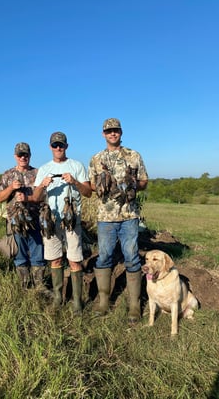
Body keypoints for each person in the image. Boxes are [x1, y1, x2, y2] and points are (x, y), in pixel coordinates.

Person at [88, 118, 148, 323]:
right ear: (104, 134)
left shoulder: (133, 155)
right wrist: (105, 184)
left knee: (131, 257)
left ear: (121, 133)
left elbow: (144, 181)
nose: (113, 134)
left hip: (129, 216)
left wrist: (133, 185)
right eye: (109, 131)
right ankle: (104, 302)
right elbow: (92, 186)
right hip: (106, 217)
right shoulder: (96, 158)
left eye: (116, 130)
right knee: (104, 256)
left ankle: (134, 306)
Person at [33, 132, 92, 313]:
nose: (58, 148)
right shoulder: (44, 169)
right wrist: (42, 185)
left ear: (66, 146)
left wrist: (74, 182)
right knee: (55, 259)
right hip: (51, 221)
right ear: (50, 147)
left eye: (61, 145)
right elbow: (35, 198)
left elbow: (88, 192)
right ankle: (58, 298)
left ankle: (77, 302)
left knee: (74, 260)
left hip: (72, 220)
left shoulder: (76, 166)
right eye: (55, 145)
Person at [0, 142, 47, 292]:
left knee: (38, 253)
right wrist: (11, 188)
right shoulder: (7, 175)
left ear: (30, 156)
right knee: (20, 255)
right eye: (20, 155)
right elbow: (0, 198)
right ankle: (25, 287)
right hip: (15, 221)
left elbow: (44, 196)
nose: (23, 157)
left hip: (35, 220)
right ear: (15, 156)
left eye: (26, 154)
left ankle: (39, 285)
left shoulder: (38, 173)